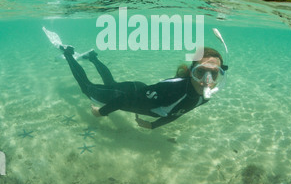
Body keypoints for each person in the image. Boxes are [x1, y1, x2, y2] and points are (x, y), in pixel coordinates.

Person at [59, 45, 228, 129]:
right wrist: (101, 113)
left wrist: (153, 125)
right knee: (87, 88)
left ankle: (92, 57)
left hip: (140, 92)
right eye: (201, 72)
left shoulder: (204, 97)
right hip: (126, 94)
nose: (207, 81)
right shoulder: (172, 89)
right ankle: (68, 53)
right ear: (191, 71)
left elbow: (178, 112)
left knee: (110, 84)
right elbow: (126, 99)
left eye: (214, 74)